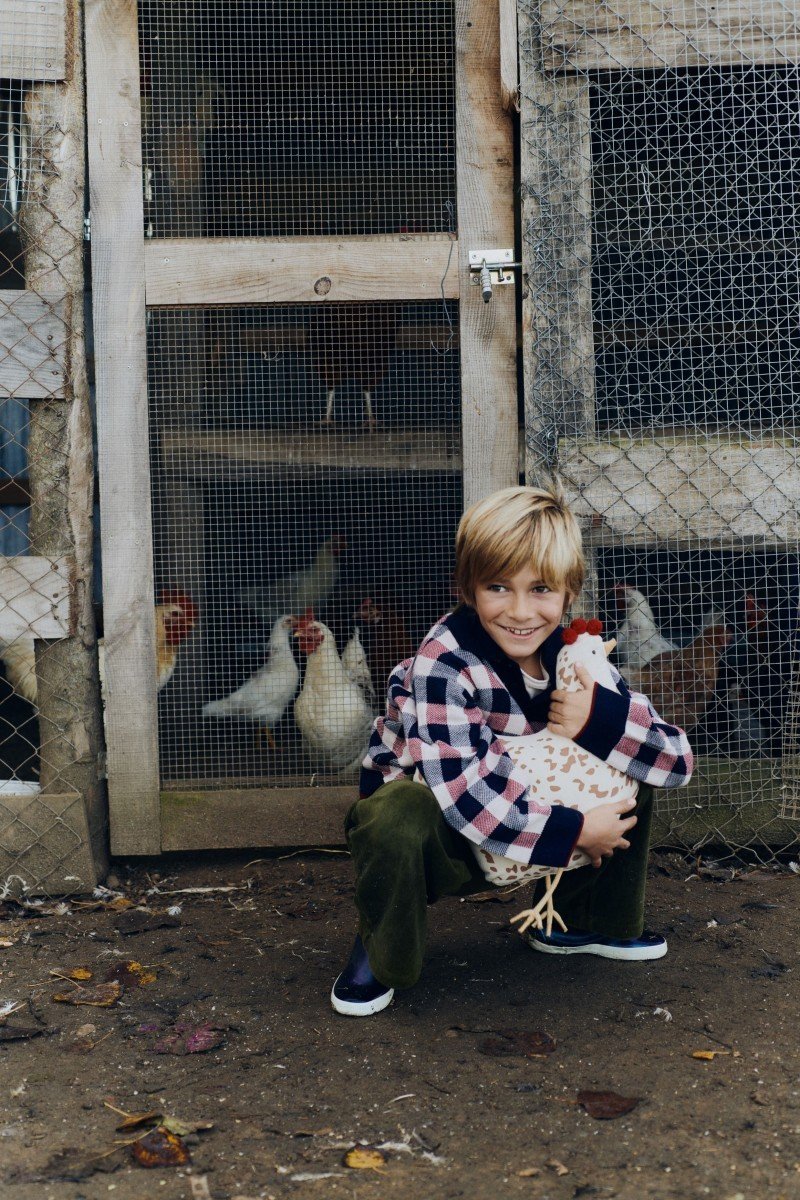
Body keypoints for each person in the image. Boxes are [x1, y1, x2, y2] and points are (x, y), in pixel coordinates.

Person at [331, 486, 694, 1016]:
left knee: (627, 759)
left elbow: (675, 760)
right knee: (392, 816)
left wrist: (598, 722)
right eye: (498, 587)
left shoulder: (577, 654)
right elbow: (470, 796)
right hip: (442, 832)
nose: (521, 612)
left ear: (569, 593)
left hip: (530, 811)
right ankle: (381, 944)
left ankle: (578, 921)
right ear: (468, 589)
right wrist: (577, 830)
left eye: (541, 589)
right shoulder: (444, 663)